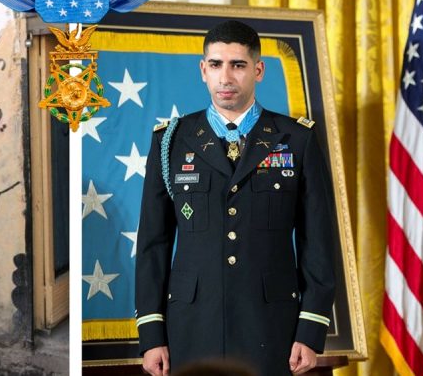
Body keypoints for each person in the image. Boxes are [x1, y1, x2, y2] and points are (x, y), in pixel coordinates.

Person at [134, 20, 335, 376]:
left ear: (258, 70)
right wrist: (151, 334)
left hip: (271, 326)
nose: (225, 77)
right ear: (203, 70)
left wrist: (311, 329)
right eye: (216, 64)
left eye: (238, 65)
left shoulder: (295, 139)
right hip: (191, 324)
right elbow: (154, 242)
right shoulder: (171, 140)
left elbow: (317, 240)